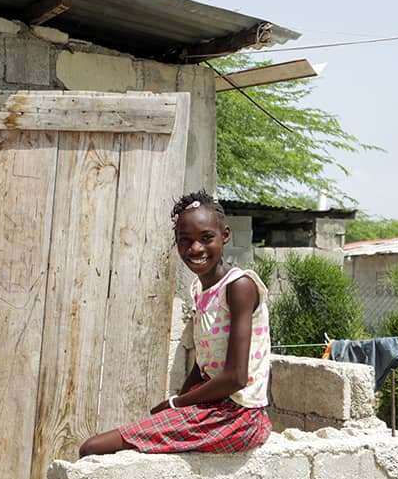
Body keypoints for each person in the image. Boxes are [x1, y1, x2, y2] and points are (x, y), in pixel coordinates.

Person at [78, 190, 272, 457]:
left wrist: (176, 402)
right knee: (121, 440)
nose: (195, 249)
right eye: (185, 240)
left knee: (93, 448)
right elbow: (203, 364)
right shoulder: (199, 290)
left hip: (239, 417)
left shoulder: (239, 287)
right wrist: (179, 404)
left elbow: (236, 377)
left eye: (206, 238)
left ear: (225, 236)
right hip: (216, 407)